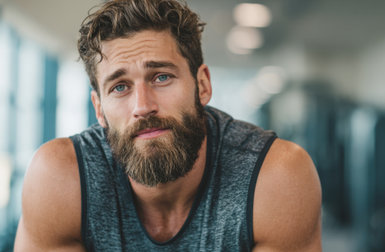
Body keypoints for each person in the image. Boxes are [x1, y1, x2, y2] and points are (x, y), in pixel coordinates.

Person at [14, 0, 322, 251]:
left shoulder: (276, 175)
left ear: (202, 85)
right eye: (120, 87)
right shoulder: (61, 177)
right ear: (99, 109)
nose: (143, 106)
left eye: (161, 77)